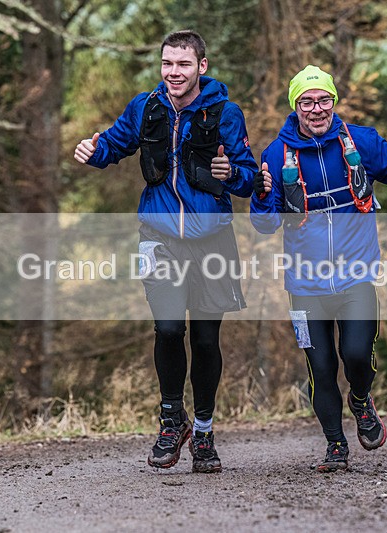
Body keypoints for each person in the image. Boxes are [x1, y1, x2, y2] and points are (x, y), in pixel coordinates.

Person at [74, 30, 257, 473]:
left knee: (206, 339)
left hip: (211, 237)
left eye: (183, 65)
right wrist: (93, 151)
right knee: (170, 328)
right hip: (158, 237)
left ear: (202, 67)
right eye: (167, 64)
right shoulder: (146, 106)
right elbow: (115, 144)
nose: (174, 73)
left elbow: (249, 179)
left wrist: (230, 172)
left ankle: (206, 431)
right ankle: (172, 420)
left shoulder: (225, 113)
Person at [250, 65, 387, 472]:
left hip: (356, 276)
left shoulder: (361, 141)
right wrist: (262, 195)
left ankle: (361, 399)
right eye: (307, 101)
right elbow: (264, 223)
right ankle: (335, 444)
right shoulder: (275, 155)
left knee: (355, 354)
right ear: (295, 106)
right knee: (320, 369)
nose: (316, 109)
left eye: (323, 100)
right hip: (305, 284)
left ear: (334, 102)